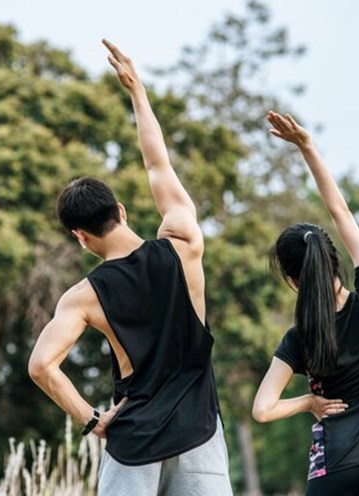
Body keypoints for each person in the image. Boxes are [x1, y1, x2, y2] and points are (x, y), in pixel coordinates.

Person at [28, 40, 232, 496]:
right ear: (120, 209)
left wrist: (93, 420)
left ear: (79, 236)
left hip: (134, 440)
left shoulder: (82, 296)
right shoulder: (182, 243)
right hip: (200, 434)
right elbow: (156, 163)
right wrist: (137, 92)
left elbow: (42, 366)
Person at [252, 111, 359, 495]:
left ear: (294, 281)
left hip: (333, 470)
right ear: (333, 260)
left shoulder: (299, 339)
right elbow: (339, 213)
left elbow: (262, 410)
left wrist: (310, 401)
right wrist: (307, 145)